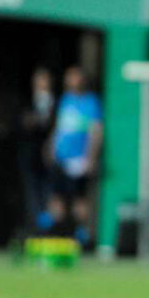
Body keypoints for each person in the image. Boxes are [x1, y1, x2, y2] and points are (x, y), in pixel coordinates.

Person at [45, 66, 103, 246]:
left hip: (79, 160)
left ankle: (81, 235)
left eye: (75, 77)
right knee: (56, 196)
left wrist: (90, 157)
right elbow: (59, 127)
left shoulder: (91, 102)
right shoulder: (65, 100)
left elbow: (96, 131)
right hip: (61, 158)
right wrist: (50, 145)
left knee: (80, 199)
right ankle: (56, 232)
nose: (71, 81)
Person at [17, 67, 56, 230]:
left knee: (48, 192)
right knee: (31, 193)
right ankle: (33, 227)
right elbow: (24, 123)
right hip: (30, 155)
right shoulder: (27, 101)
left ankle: (48, 228)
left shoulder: (56, 102)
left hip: (49, 156)